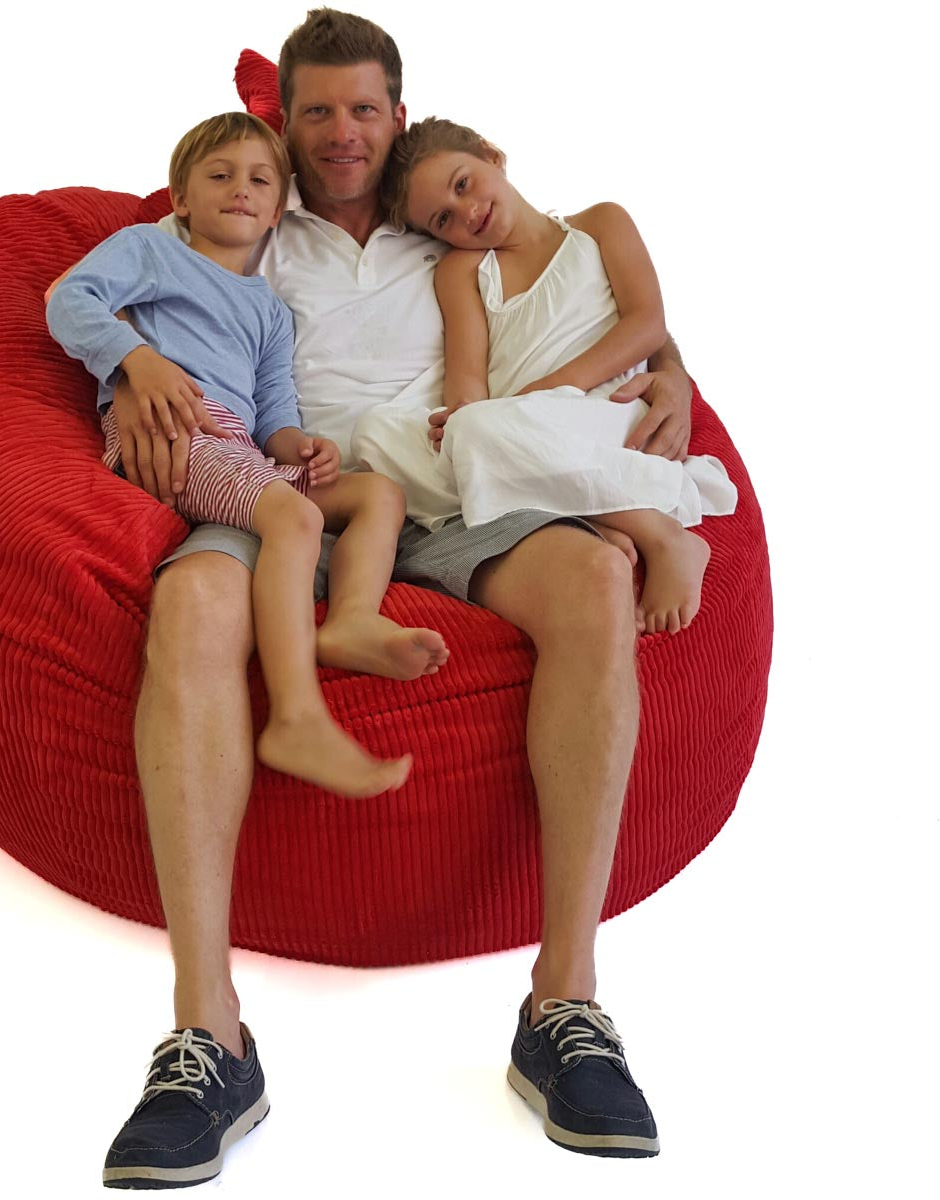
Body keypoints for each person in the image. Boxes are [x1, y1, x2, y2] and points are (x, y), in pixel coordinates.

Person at [97, 9, 699, 1186]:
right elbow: (134, 295)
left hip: (446, 487)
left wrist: (673, 375)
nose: (341, 134)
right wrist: (127, 370)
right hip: (276, 483)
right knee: (193, 606)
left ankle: (564, 1005)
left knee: (594, 573)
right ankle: (208, 1036)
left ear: (400, 115)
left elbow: (584, 306)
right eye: (316, 111)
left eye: (363, 109)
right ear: (280, 121)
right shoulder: (247, 208)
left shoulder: (451, 228)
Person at [47, 111, 448, 804]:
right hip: (176, 433)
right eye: (220, 175)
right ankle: (295, 717)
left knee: (377, 493)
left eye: (261, 180)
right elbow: (70, 300)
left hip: (238, 448)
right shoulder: (151, 250)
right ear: (181, 198)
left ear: (277, 209)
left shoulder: (268, 308)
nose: (241, 188)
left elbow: (272, 410)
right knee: (294, 518)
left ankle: (350, 618)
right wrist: (137, 361)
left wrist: (302, 448)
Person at [360, 116, 737, 635]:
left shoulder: (599, 225)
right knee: (376, 434)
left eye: (463, 183)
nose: (467, 212)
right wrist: (463, 418)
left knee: (481, 435)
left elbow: (647, 324)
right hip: (519, 430)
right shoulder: (462, 271)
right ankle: (588, 509)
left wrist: (541, 394)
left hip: (605, 416)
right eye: (444, 219)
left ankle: (661, 535)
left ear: (491, 155)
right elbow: (467, 383)